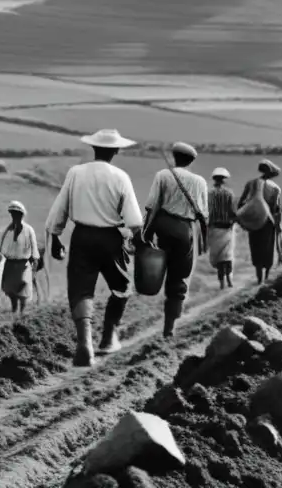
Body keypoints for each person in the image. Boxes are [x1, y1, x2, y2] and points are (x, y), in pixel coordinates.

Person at [44, 129, 143, 368]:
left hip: (82, 237)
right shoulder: (121, 177)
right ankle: (109, 337)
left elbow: (60, 209)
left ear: (94, 148)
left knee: (80, 290)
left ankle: (85, 344)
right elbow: (134, 220)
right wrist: (138, 240)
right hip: (111, 238)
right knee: (121, 287)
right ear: (116, 150)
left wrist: (55, 237)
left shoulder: (76, 173)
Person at [142, 143, 209, 338]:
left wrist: (146, 232)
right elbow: (203, 214)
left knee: (153, 267)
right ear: (191, 161)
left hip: (161, 226)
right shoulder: (200, 182)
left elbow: (151, 206)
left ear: (174, 157)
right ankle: (169, 327)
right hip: (184, 230)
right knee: (178, 277)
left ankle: (147, 292)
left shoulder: (163, 175)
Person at [238, 160, 282, 284]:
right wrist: (278, 225)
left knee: (256, 248)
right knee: (268, 249)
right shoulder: (275, 188)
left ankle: (259, 279)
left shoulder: (251, 184)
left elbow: (241, 203)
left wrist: (243, 218)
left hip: (254, 221)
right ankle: (266, 276)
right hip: (268, 222)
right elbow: (276, 209)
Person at [0, 200, 41, 321]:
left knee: (23, 288)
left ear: (22, 215)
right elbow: (2, 248)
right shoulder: (7, 231)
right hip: (9, 264)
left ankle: (22, 313)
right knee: (10, 289)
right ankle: (14, 310)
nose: (14, 216)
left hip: (23, 264)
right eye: (12, 214)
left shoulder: (28, 230)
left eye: (17, 214)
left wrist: (35, 261)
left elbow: (34, 248)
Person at [206, 167, 237, 289]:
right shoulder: (229, 193)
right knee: (227, 255)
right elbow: (233, 212)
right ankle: (229, 279)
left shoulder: (210, 194)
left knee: (218, 257)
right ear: (224, 180)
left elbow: (207, 211)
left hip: (214, 228)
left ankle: (221, 283)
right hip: (227, 228)